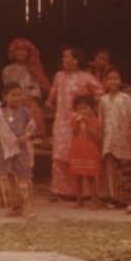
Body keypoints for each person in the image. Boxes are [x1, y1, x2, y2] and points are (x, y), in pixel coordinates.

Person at [47, 47, 104, 200]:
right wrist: (52, 105)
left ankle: (83, 192)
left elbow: (100, 93)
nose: (64, 60)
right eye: (64, 57)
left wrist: (89, 110)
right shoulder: (59, 76)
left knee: (79, 153)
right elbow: (51, 97)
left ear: (76, 60)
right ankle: (60, 190)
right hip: (61, 121)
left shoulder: (86, 77)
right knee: (60, 155)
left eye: (67, 57)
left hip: (79, 121)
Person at [0, 81, 37, 218]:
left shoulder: (25, 112)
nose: (17, 98)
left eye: (19, 94)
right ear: (5, 96)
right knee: (9, 177)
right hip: (6, 150)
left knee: (23, 177)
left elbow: (32, 128)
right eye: (13, 95)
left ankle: (27, 207)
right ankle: (15, 205)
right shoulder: (0, 113)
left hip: (21, 149)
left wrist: (26, 136)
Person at [99, 70, 131, 208]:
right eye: (110, 78)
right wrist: (101, 139)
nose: (113, 81)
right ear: (106, 81)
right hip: (108, 137)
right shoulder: (103, 100)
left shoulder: (125, 98)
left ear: (120, 81)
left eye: (116, 78)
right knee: (110, 168)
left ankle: (126, 198)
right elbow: (101, 121)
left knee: (124, 168)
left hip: (123, 136)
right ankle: (113, 197)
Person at [2, 38, 51, 136]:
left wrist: (28, 99)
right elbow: (7, 88)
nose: (21, 53)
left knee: (33, 112)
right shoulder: (7, 70)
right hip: (12, 101)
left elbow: (36, 89)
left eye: (24, 50)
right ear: (13, 52)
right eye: (18, 50)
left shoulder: (34, 69)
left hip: (29, 101)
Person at [69, 94, 102, 209]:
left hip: (90, 151)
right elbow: (74, 132)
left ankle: (94, 200)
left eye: (85, 108)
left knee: (91, 177)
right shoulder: (75, 119)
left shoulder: (95, 120)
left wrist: (87, 123)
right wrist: (77, 123)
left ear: (92, 108)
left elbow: (97, 137)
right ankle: (79, 200)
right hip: (78, 150)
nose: (82, 111)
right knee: (78, 176)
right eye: (79, 109)